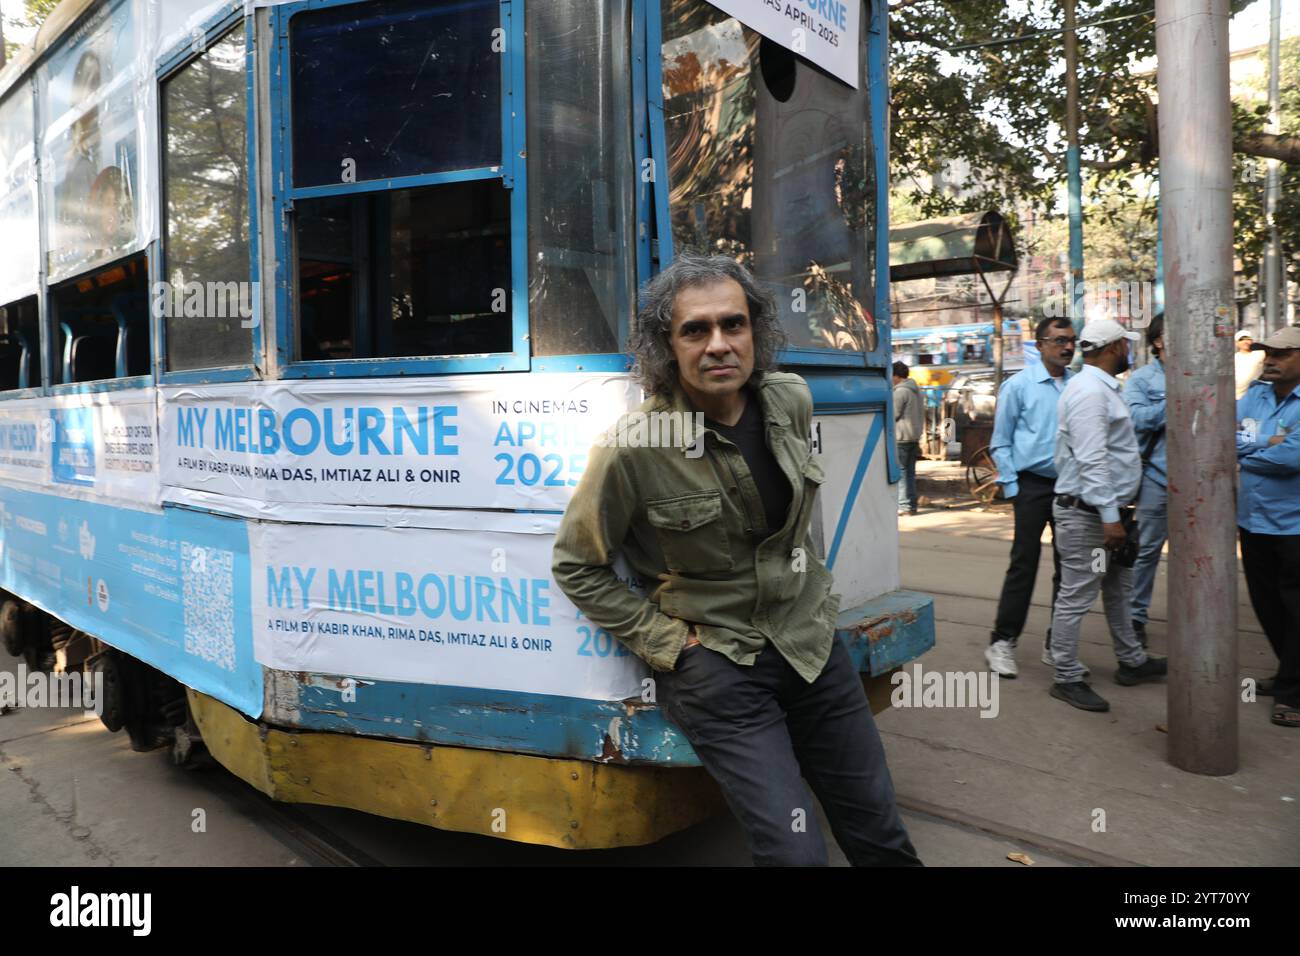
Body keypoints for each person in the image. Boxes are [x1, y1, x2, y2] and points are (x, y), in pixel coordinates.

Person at [552, 252, 920, 865]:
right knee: (795, 854)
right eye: (696, 330)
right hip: (719, 666)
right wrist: (671, 645)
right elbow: (576, 565)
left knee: (879, 832)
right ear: (668, 347)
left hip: (808, 645)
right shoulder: (633, 448)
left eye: (734, 324)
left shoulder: (790, 401)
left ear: (756, 332)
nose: (718, 344)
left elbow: (803, 523)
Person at [1047, 318, 1168, 712]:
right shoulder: (1089, 393)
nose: (1130, 351)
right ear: (1114, 347)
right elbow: (1092, 459)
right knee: (1077, 594)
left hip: (1104, 512)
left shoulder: (1098, 388)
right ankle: (1065, 676)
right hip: (1089, 515)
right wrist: (1109, 517)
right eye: (1125, 345)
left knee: (1118, 588)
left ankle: (1132, 661)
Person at [984, 316, 1076, 679]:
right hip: (1031, 485)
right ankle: (1002, 642)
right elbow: (1000, 440)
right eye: (1058, 341)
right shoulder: (1019, 386)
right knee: (1024, 563)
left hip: (1069, 485)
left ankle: (1058, 643)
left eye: (1071, 340)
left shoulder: (1077, 385)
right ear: (1039, 345)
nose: (1067, 347)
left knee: (1069, 568)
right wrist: (1012, 487)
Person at [1235, 326, 1300, 729]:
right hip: (1253, 518)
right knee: (1267, 605)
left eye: (1281, 353)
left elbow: (1294, 457)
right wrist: (1271, 444)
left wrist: (1251, 451)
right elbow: (1232, 439)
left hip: (1294, 524)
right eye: (1267, 353)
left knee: (1296, 610)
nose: (1270, 360)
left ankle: (1292, 692)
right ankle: (1288, 673)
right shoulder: (1254, 395)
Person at [1123, 314, 1167, 645]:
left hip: (1200, 483)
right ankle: (1135, 618)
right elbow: (1137, 419)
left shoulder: (1205, 374)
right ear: (1158, 341)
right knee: (1147, 551)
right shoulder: (1141, 380)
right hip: (1156, 478)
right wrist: (1177, 399)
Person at [893, 361, 924, 516]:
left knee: (902, 473)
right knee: (910, 473)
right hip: (914, 437)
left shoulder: (900, 392)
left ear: (896, 376)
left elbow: (894, 414)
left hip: (902, 437)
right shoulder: (916, 390)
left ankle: (904, 505)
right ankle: (912, 505)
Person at [1235, 330, 1265, 400]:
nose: (1245, 342)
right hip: (1238, 397)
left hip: (1257, 396)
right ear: (1237, 343)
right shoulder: (1234, 358)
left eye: (1248, 339)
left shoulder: (1261, 353)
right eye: (1241, 339)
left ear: (1252, 341)